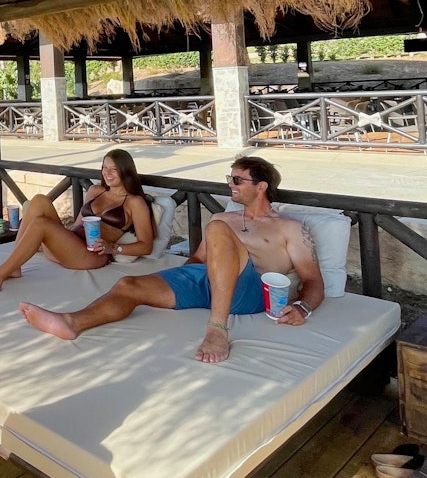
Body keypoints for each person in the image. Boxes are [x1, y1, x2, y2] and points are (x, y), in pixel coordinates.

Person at [19, 156, 325, 364]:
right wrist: (177, 281)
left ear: (261, 187)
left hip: (250, 292)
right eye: (229, 177)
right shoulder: (223, 216)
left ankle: (217, 330)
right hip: (206, 281)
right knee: (128, 284)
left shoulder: (288, 228)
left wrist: (302, 306)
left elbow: (312, 281)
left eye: (238, 179)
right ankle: (72, 321)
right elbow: (198, 259)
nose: (230, 183)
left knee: (217, 228)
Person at [0, 149, 156, 292]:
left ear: (125, 171)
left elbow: (146, 246)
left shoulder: (134, 202)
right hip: (71, 247)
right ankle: (14, 267)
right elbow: (77, 224)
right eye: (104, 168)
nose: (107, 173)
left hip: (91, 256)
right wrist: (60, 236)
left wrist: (113, 248)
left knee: (41, 224)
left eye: (114, 169)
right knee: (40, 200)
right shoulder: (95, 191)